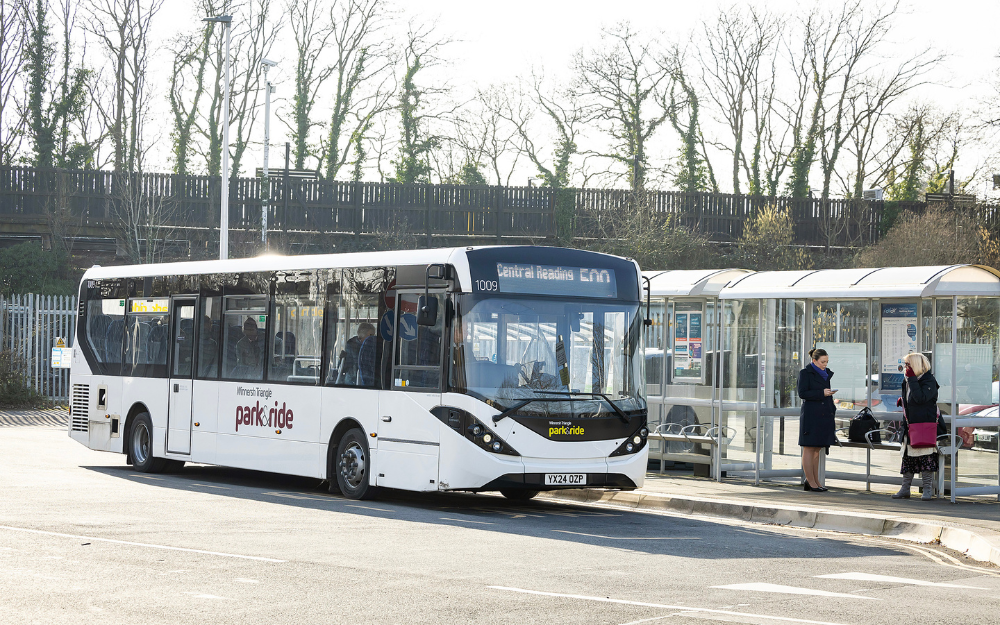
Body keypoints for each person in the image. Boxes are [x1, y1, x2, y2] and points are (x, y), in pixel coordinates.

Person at [893, 352, 943, 500]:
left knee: (925, 456)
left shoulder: (929, 380)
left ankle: (927, 489)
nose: (905, 368)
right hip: (910, 426)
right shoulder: (908, 381)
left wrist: (912, 380)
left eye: (908, 364)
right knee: (908, 457)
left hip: (924, 425)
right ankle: (905, 488)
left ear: (915, 365)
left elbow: (921, 398)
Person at [797, 348, 838, 492]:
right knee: (809, 448)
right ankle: (810, 481)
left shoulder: (826, 374)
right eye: (822, 362)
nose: (825, 364)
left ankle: (815, 481)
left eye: (826, 361)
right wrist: (822, 393)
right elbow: (802, 393)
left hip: (824, 414)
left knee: (817, 448)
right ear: (814, 361)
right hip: (811, 415)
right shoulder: (805, 373)